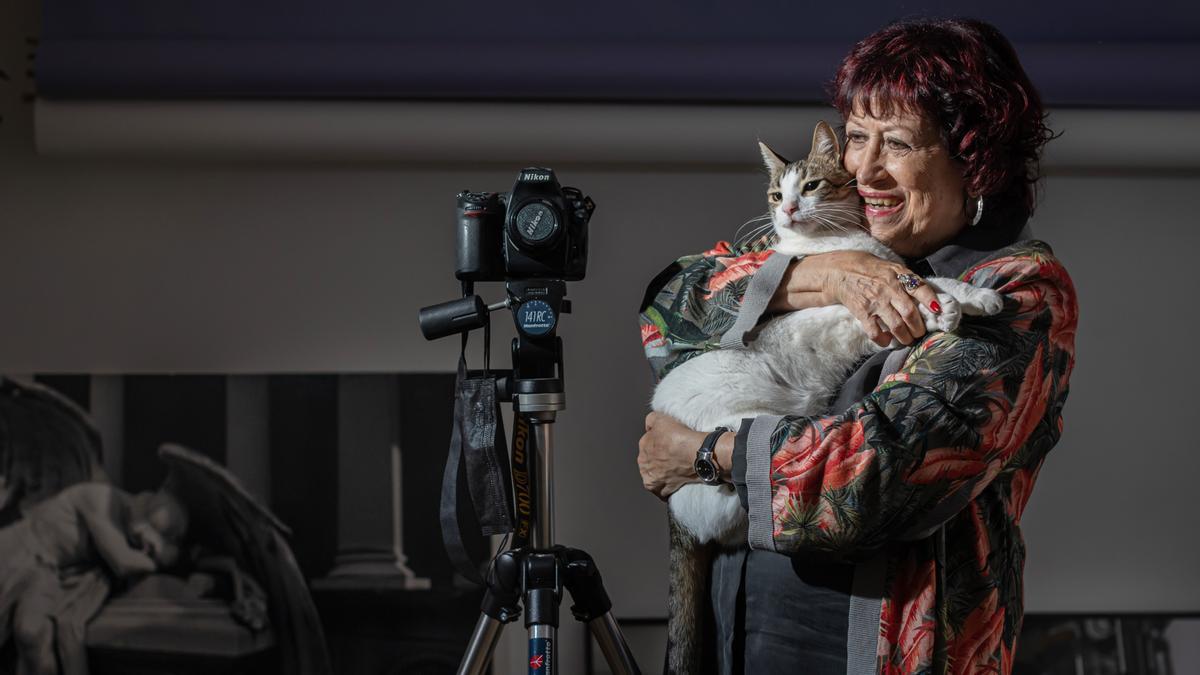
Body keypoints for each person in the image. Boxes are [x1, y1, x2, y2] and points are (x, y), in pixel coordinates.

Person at [637, 18, 1077, 675]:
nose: (862, 168)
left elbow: (875, 476)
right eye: (857, 136)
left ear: (974, 160)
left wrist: (702, 454)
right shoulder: (838, 250)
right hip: (742, 639)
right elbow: (666, 306)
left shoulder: (1019, 291)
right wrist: (820, 274)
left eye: (896, 143)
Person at [0, 482, 188, 675]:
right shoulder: (101, 498)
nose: (142, 548)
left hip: (46, 569)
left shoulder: (127, 522)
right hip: (15, 551)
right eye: (143, 541)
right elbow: (122, 562)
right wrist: (158, 563)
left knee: (32, 631)